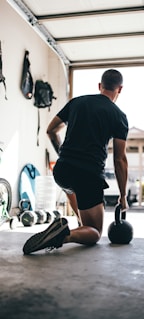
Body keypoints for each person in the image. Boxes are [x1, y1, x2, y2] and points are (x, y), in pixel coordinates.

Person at [23, 69, 129, 255]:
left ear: (100, 86)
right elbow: (119, 159)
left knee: (76, 197)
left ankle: (79, 227)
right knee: (95, 233)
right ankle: (64, 235)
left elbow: (51, 130)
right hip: (88, 175)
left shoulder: (77, 102)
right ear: (119, 89)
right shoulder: (118, 116)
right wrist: (123, 196)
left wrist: (62, 152)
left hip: (62, 171)